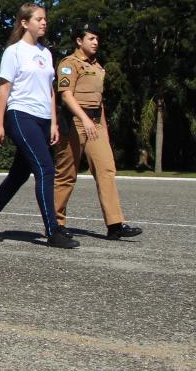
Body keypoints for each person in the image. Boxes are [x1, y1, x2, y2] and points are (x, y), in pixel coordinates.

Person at [0, 3, 79, 248]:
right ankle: (53, 230)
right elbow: (4, 89)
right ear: (24, 22)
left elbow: (51, 92)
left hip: (44, 119)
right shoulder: (14, 52)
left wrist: (54, 123)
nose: (44, 23)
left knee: (19, 174)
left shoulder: (46, 53)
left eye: (45, 19)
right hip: (20, 116)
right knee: (45, 168)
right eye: (39, 19)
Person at [54, 23, 143, 241]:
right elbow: (66, 96)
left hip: (96, 125)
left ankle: (115, 224)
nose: (96, 43)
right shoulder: (69, 64)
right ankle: (55, 224)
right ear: (79, 41)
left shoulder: (98, 68)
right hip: (74, 123)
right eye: (91, 38)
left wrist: (104, 130)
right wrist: (85, 120)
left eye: (97, 39)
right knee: (67, 175)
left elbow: (99, 103)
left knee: (106, 171)